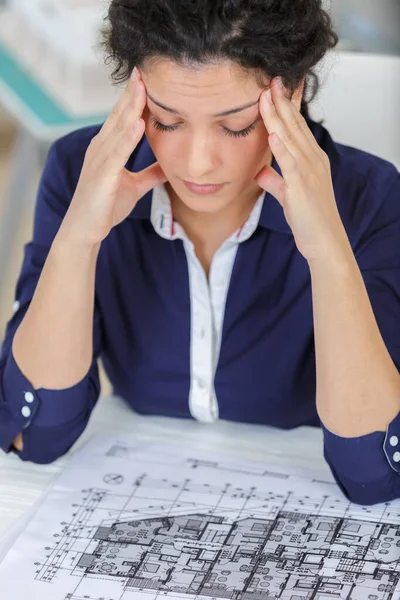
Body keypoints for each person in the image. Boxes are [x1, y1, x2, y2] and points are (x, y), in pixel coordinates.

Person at [0, 0, 399, 506]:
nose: (198, 163)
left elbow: (374, 474)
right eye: (167, 120)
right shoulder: (83, 172)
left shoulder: (371, 197)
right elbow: (33, 436)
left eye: (234, 126)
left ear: (292, 93)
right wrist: (80, 237)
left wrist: (328, 253)